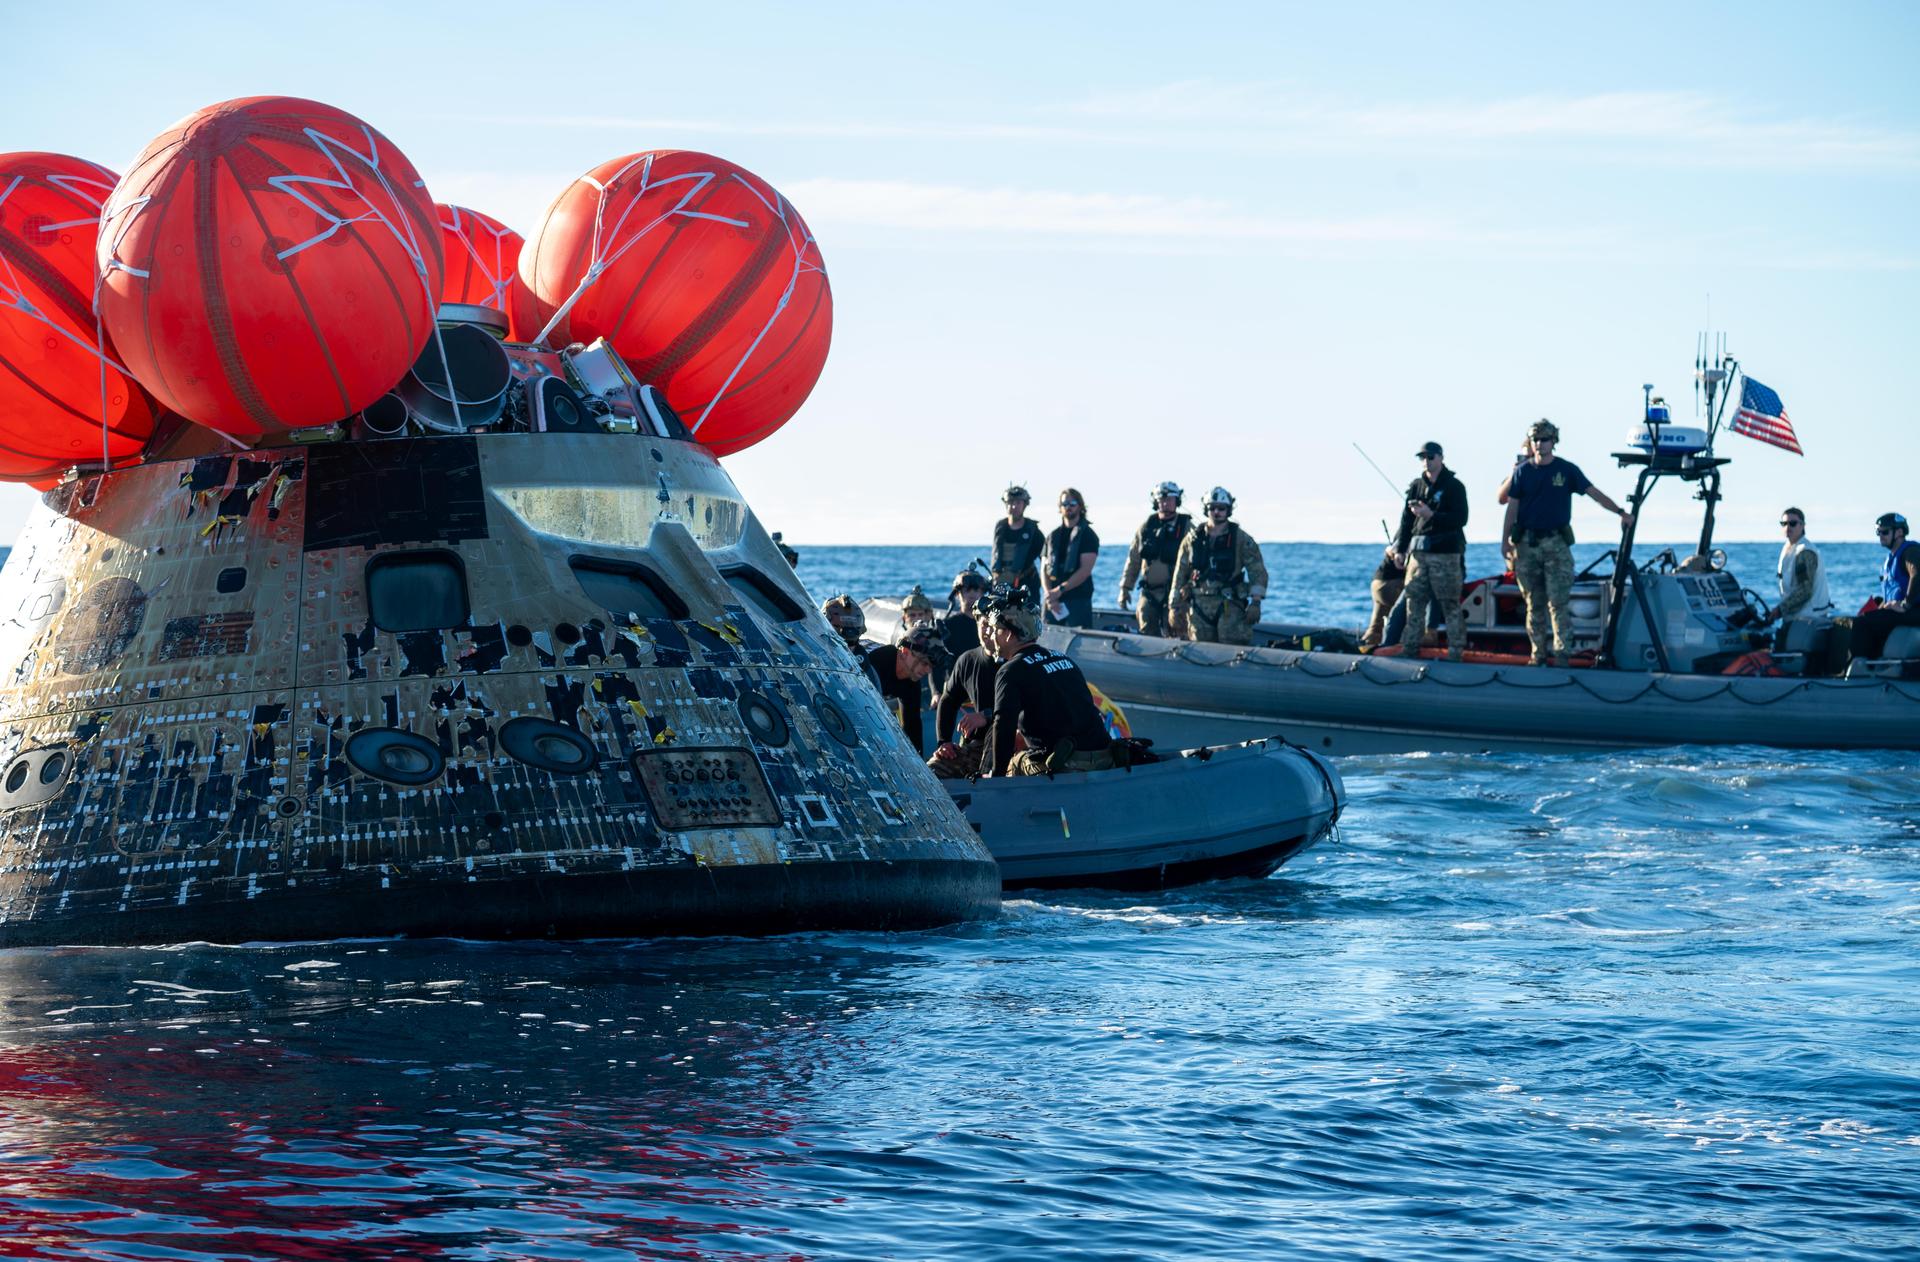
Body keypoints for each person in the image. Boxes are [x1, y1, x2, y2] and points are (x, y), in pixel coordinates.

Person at [1496, 419, 1631, 666]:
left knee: (1558, 602)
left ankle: (1562, 655)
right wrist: (1505, 542)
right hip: (1527, 545)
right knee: (1533, 604)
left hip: (1556, 544)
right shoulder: (1522, 472)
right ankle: (1537, 655)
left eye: (1544, 439)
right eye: (1535, 440)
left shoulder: (1566, 470)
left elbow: (1594, 493)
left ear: (1553, 442)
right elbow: (1510, 507)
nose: (1539, 444)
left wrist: (1620, 512)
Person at [982, 601, 1115, 777]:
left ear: (1007, 634)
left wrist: (996, 776)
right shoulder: (1063, 658)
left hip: (1068, 763)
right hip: (1104, 757)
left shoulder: (1010, 670)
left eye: (995, 629)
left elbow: (1004, 726)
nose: (990, 636)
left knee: (1014, 763)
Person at [1394, 441, 1470, 661]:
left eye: (1431, 457)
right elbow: (1406, 520)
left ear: (1441, 458)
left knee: (1449, 604)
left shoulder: (1455, 486)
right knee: (1414, 602)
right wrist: (1401, 549)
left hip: (1445, 554)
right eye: (1423, 458)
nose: (1427, 462)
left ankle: (1456, 652)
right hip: (1418, 555)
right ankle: (1410, 649)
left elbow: (1461, 518)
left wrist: (1432, 515)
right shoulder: (1416, 486)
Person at [1170, 487, 1267, 645]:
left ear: (1228, 510)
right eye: (1212, 508)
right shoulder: (1192, 539)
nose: (1216, 512)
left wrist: (1255, 602)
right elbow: (1179, 573)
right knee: (1199, 651)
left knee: (1234, 647)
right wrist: (1173, 606)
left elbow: (1257, 571)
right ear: (1206, 509)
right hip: (1199, 607)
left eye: (1221, 508)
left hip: (1230, 605)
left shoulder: (1241, 539)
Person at [928, 597, 1000, 780]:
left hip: (1015, 742)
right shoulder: (968, 660)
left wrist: (987, 716)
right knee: (932, 771)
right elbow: (949, 699)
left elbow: (1032, 708)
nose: (987, 631)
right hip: (977, 746)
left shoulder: (1019, 660)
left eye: (992, 625)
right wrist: (944, 742)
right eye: (983, 624)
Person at [1118, 481, 1193, 637]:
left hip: (1176, 595)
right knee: (1146, 628)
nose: (1165, 503)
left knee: (1177, 632)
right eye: (1161, 499)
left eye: (1169, 499)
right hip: (1150, 592)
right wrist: (1125, 588)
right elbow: (1133, 560)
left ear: (1177, 501)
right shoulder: (1146, 527)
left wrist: (1189, 587)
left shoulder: (1187, 527)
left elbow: (1196, 562)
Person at [864, 625, 946, 755]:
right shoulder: (873, 664)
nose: (928, 670)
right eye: (924, 663)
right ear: (905, 652)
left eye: (932, 666)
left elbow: (912, 728)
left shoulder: (911, 681)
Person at [1850, 512, 1920, 660]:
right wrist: (1882, 604)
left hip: (1914, 610)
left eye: (1885, 532)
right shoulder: (1890, 559)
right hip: (1902, 611)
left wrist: (1905, 604)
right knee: (1868, 614)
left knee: (1862, 624)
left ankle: (1860, 669)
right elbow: (1895, 589)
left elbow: (1917, 573)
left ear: (1899, 532)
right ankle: (1875, 665)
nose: (1881, 535)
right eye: (1878, 532)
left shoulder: (1910, 551)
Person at [1764, 507, 1833, 645]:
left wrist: (1780, 610)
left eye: (1793, 523)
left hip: (1808, 619)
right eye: (1784, 524)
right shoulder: (1789, 548)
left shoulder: (1804, 552)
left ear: (1802, 525)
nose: (1788, 527)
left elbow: (1805, 591)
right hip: (1796, 617)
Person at [1042, 488, 1100, 627]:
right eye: (1064, 504)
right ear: (1060, 508)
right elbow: (1044, 569)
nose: (1068, 507)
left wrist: (1059, 591)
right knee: (1047, 644)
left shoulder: (1088, 535)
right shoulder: (1052, 536)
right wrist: (1050, 595)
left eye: (1072, 503)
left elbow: (1085, 571)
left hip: (1077, 599)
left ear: (1080, 506)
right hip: (1053, 602)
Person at [990, 484, 1045, 597]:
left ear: (1024, 505)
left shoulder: (1033, 531)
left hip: (1026, 584)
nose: (1014, 506)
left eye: (1018, 503)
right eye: (1010, 502)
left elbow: (1045, 558)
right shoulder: (1000, 528)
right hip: (1001, 585)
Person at [821, 593, 882, 689]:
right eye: (843, 643)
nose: (849, 649)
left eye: (851, 643)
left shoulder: (865, 664)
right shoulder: (817, 658)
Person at [1359, 545, 1406, 652]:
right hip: (1393, 585)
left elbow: (1390, 548)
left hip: (1378, 583)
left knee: (1376, 626)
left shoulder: (1400, 540)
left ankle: (1364, 648)